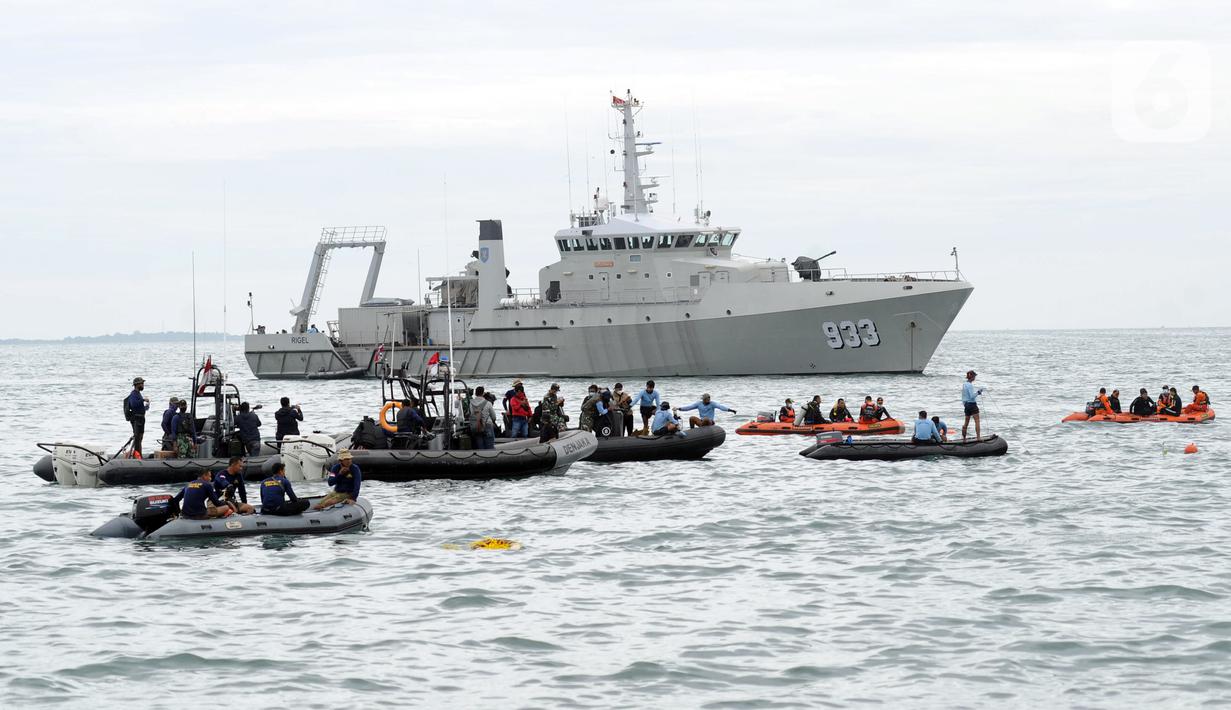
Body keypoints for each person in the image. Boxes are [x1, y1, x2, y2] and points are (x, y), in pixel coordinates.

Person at [124, 377, 151, 457]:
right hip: (136, 419)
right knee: (137, 438)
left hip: (141, 418)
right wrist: (143, 400)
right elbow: (134, 404)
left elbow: (139, 407)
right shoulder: (133, 394)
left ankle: (138, 455)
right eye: (142, 383)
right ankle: (137, 456)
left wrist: (146, 407)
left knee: (140, 437)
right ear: (137, 385)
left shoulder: (138, 393)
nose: (143, 385)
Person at [961, 370, 983, 441]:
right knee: (977, 421)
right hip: (972, 404)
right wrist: (978, 392)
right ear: (972, 377)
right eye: (974, 376)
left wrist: (965, 404)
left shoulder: (964, 384)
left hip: (966, 404)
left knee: (966, 422)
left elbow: (963, 396)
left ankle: (964, 439)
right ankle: (978, 438)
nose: (975, 378)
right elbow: (972, 396)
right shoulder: (970, 385)